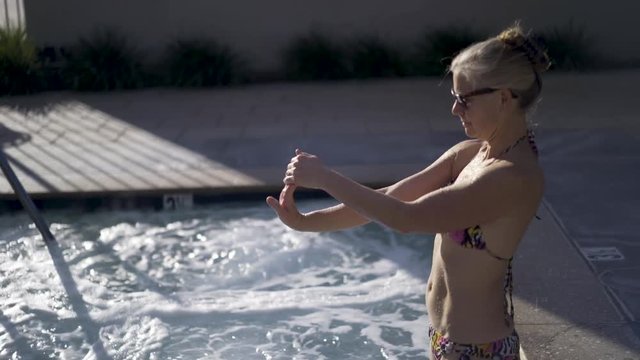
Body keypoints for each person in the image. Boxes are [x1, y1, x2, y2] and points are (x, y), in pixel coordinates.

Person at [266, 23, 549, 360]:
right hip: (447, 342)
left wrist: (325, 177)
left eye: (464, 100)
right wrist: (305, 222)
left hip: (479, 351)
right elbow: (393, 197)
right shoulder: (470, 154)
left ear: (503, 98)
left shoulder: (512, 177)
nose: (455, 110)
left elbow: (407, 218)